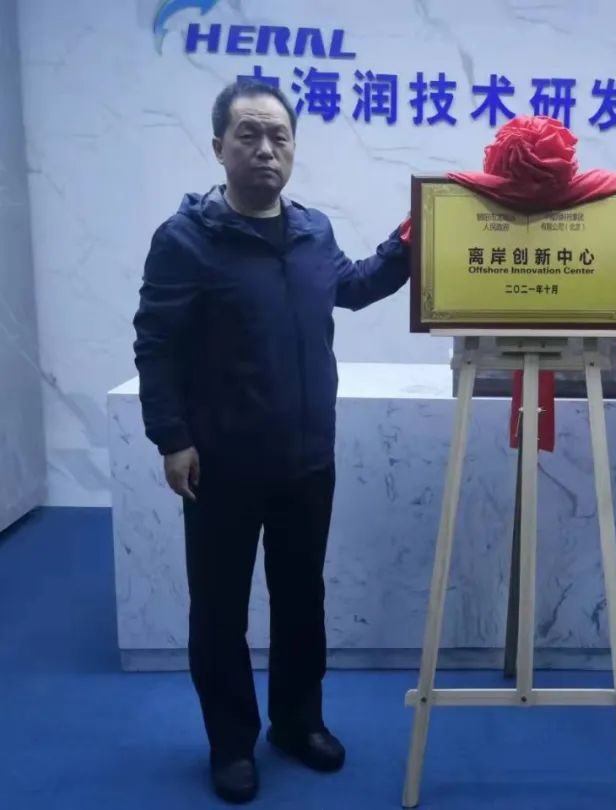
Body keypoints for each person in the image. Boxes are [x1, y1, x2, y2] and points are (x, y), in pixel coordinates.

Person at [132, 80, 410, 803]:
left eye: (278, 136)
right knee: (219, 610)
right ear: (218, 146)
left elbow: (353, 286)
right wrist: (171, 437)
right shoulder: (186, 240)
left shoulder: (314, 231)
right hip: (220, 462)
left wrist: (413, 241)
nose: (265, 149)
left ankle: (297, 723)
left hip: (307, 460)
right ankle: (231, 744)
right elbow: (155, 343)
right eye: (248, 135)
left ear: (293, 148)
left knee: (301, 600)